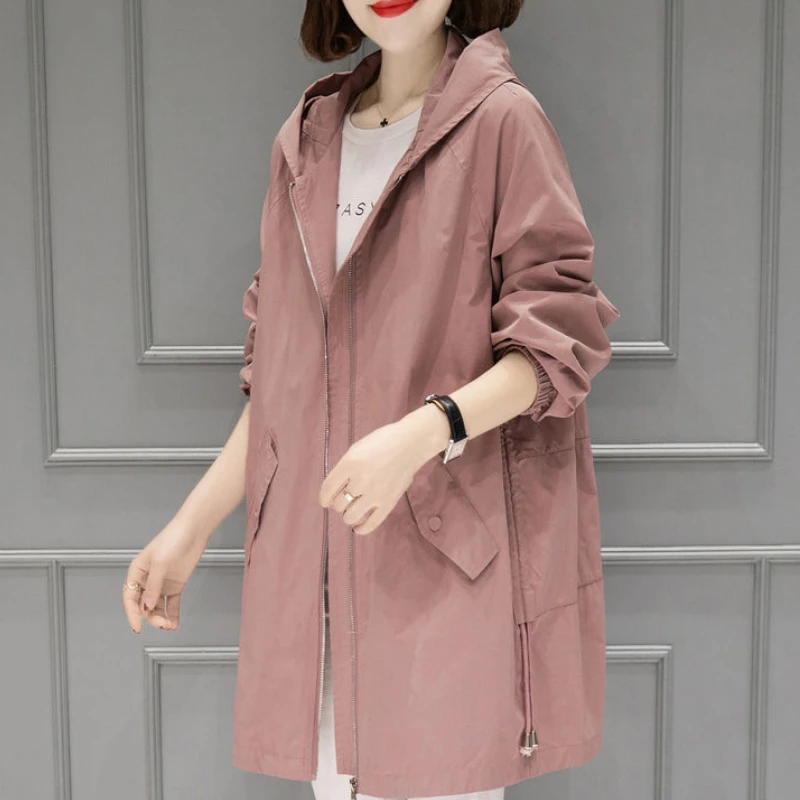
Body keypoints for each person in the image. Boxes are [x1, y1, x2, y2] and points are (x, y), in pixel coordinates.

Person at [121, 1, 621, 799]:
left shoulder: (502, 121)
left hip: (444, 584)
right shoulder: (309, 138)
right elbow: (283, 381)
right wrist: (190, 528)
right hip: (315, 600)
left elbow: (558, 344)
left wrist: (425, 431)